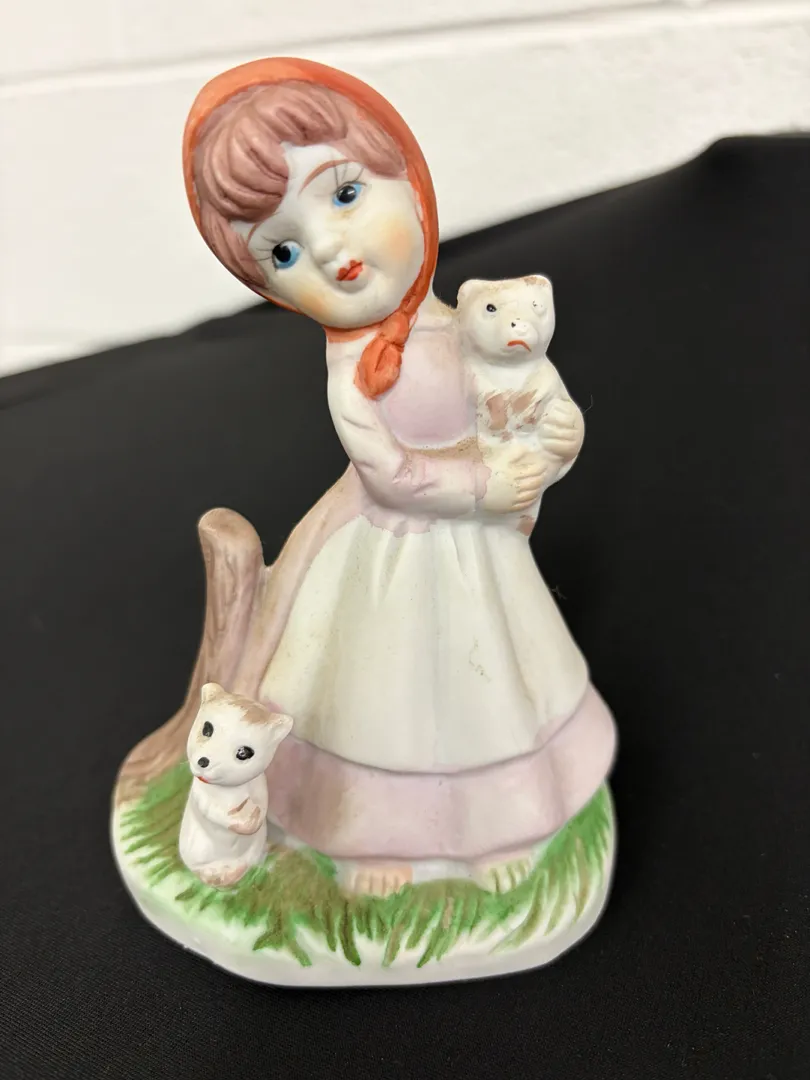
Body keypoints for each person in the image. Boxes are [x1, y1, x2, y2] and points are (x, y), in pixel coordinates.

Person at [184, 58, 616, 895]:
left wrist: (554, 444)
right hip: (389, 550)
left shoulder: (468, 324)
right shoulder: (352, 374)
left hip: (479, 555)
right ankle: (374, 838)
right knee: (381, 698)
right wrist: (482, 487)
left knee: (488, 685)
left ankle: (499, 826)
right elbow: (387, 473)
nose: (331, 251)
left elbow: (527, 404)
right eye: (283, 251)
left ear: (414, 186)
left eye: (346, 195)